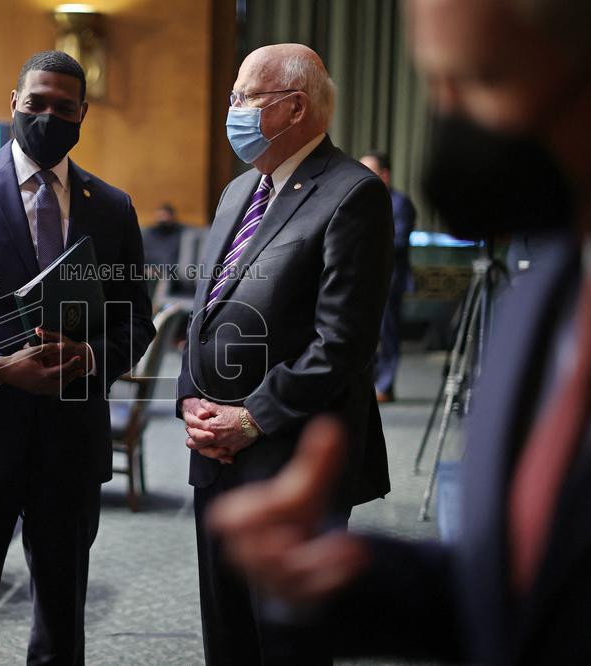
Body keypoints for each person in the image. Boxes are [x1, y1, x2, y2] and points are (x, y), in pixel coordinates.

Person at [208, 0, 591, 663]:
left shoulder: (351, 195)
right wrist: (353, 574)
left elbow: (343, 338)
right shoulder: (551, 279)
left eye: (480, 79)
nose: (448, 118)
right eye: (433, 84)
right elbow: (525, 589)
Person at [0, 50, 155, 664]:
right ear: (13, 103)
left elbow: (135, 321)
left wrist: (91, 356)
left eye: (63, 107)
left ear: (83, 114)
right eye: (35, 103)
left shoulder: (111, 207)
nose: (48, 115)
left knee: (62, 623)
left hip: (69, 443)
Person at [177, 43, 393, 665]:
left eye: (244, 97)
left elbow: (342, 343)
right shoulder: (238, 189)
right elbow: (206, 311)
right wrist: (192, 402)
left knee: (286, 642)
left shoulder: (352, 193)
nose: (232, 111)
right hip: (213, 447)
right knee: (227, 634)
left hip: (293, 457)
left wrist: (252, 418)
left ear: (293, 107)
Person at [360, 150, 417, 403]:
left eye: (368, 170)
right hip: (362, 277)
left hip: (390, 279)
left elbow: (399, 241)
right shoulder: (359, 199)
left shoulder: (401, 203)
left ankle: (385, 385)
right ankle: (369, 384)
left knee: (388, 333)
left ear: (384, 174)